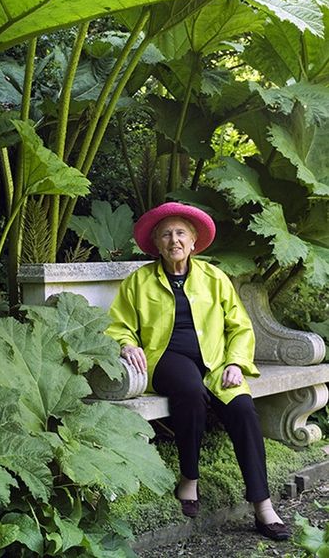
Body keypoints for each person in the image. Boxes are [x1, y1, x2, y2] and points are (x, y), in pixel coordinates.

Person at [106, 202, 291, 541]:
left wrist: (235, 362)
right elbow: (119, 325)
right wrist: (126, 344)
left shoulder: (214, 277)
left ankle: (263, 506)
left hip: (217, 362)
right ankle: (189, 478)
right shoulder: (139, 282)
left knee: (243, 409)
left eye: (180, 234)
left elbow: (240, 326)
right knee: (189, 391)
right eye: (166, 234)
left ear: (193, 242)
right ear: (157, 244)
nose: (173, 240)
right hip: (165, 358)